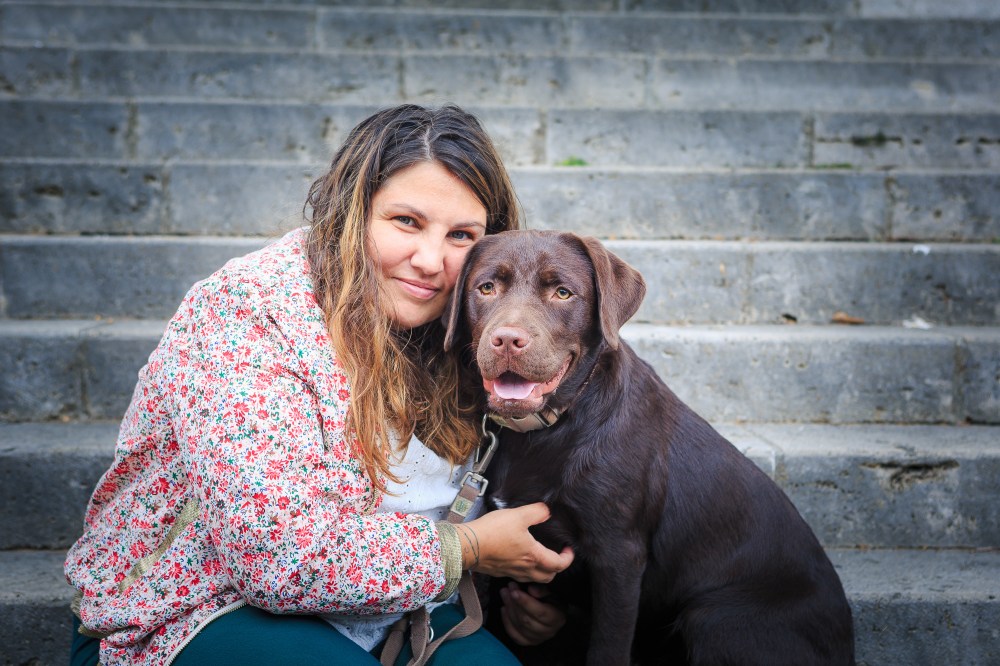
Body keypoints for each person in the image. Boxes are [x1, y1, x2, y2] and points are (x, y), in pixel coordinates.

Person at [65, 104, 574, 666]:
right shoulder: (247, 312)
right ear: (353, 212)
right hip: (193, 610)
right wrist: (469, 549)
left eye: (461, 235)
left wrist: (521, 601)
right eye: (406, 221)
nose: (430, 260)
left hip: (407, 609)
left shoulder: (479, 326)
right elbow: (277, 557)